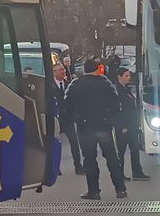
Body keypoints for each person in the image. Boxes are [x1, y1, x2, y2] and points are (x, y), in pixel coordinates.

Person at [65, 58, 127, 200]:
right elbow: (116, 104)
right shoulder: (105, 83)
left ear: (84, 70)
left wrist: (77, 118)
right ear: (96, 69)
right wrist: (111, 120)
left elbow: (67, 105)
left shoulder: (75, 84)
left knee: (89, 160)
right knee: (112, 158)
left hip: (85, 127)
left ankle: (93, 191)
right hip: (104, 127)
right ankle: (120, 189)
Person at [114, 68, 150, 181]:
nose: (129, 78)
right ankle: (119, 174)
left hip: (132, 126)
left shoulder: (126, 89)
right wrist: (122, 126)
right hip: (124, 127)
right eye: (126, 76)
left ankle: (137, 172)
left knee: (135, 149)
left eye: (129, 75)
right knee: (121, 151)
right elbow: (118, 111)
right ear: (119, 77)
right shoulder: (117, 91)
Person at [53, 63, 84, 175]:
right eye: (60, 70)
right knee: (55, 143)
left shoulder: (69, 85)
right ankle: (55, 167)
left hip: (68, 119)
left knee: (74, 142)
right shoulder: (50, 86)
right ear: (54, 72)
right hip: (55, 119)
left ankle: (78, 166)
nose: (63, 71)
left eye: (63, 69)